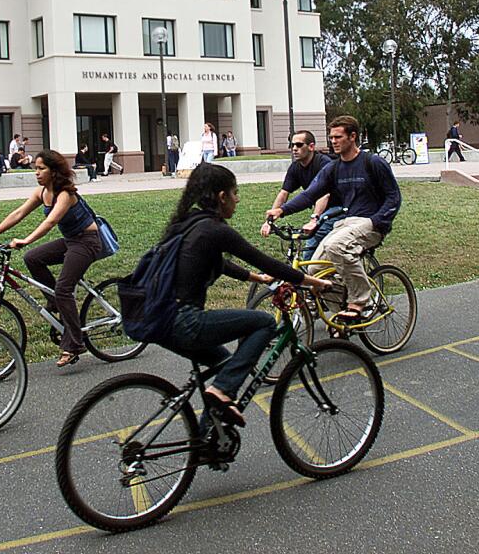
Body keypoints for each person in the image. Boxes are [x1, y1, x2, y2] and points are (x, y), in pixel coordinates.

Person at [159, 163, 333, 426]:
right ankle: (221, 391)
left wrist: (257, 279)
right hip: (184, 320)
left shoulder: (189, 223)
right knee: (263, 322)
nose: (237, 199)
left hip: (160, 319)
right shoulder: (215, 229)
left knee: (224, 362)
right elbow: (265, 261)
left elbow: (219, 263)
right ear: (221, 197)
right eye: (235, 192)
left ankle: (209, 434)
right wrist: (312, 282)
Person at [266, 115, 402, 323]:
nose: (333, 142)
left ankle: (359, 301)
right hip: (347, 222)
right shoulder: (333, 168)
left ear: (352, 136)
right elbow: (309, 195)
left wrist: (378, 220)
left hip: (371, 223)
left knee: (335, 245)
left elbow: (394, 196)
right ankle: (342, 313)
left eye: (338, 137)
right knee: (315, 270)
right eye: (331, 138)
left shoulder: (372, 162)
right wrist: (281, 210)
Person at [0, 150, 103, 368]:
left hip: (87, 241)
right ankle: (56, 302)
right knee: (33, 258)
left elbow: (50, 223)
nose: (36, 172)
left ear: (53, 171)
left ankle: (74, 344)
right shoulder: (42, 192)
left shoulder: (65, 194)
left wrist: (25, 239)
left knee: (64, 288)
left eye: (41, 169)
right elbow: (18, 213)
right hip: (70, 240)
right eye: (35, 168)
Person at [261, 130, 339, 258]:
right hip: (322, 211)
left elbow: (324, 194)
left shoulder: (323, 163)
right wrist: (269, 220)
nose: (294, 149)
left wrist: (314, 219)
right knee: (310, 249)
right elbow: (283, 194)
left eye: (299, 145)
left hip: (338, 208)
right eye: (292, 145)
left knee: (314, 239)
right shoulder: (295, 167)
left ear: (311, 147)